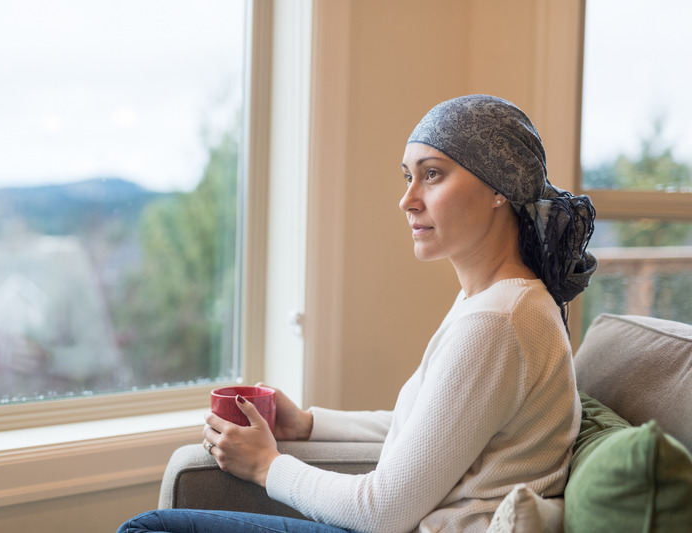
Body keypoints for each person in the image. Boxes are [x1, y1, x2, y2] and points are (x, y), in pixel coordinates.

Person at [117, 94, 597, 533]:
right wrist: (307, 424)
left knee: (150, 529)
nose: (407, 200)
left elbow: (382, 510)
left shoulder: (499, 322)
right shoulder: (497, 302)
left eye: (432, 174)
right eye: (408, 176)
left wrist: (267, 465)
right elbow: (427, 428)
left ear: (502, 187)